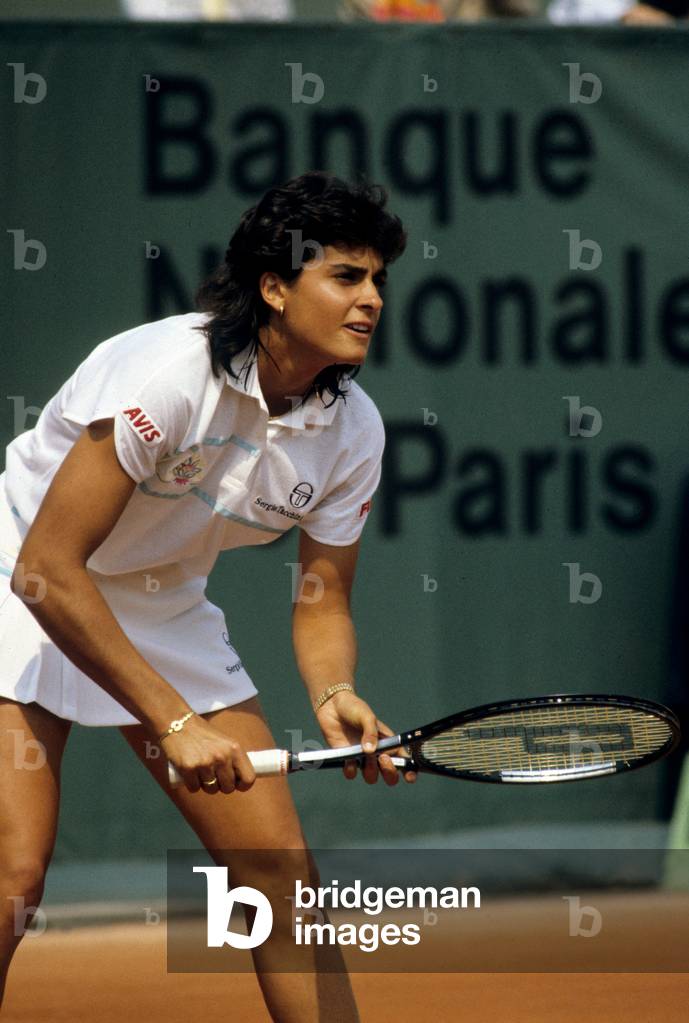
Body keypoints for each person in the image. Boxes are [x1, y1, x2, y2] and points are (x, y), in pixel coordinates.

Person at [0, 171, 413, 1021]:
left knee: (278, 877)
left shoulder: (354, 429)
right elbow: (48, 567)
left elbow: (322, 601)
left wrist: (334, 692)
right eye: (346, 275)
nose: (371, 298)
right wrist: (174, 720)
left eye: (378, 279)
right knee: (14, 869)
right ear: (274, 287)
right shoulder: (168, 373)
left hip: (160, 601)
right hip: (22, 573)